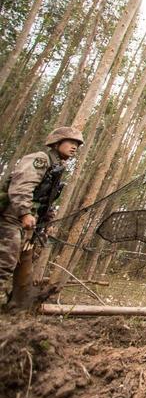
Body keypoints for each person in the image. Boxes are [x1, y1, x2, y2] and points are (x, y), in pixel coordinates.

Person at [0, 126, 83, 306]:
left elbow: (45, 200)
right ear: (57, 143)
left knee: (24, 267)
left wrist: (46, 221)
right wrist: (25, 213)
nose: (75, 147)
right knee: (4, 263)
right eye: (71, 142)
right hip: (9, 219)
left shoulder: (56, 168)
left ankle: (16, 309)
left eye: (77, 144)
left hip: (26, 224)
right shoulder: (40, 159)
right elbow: (22, 186)